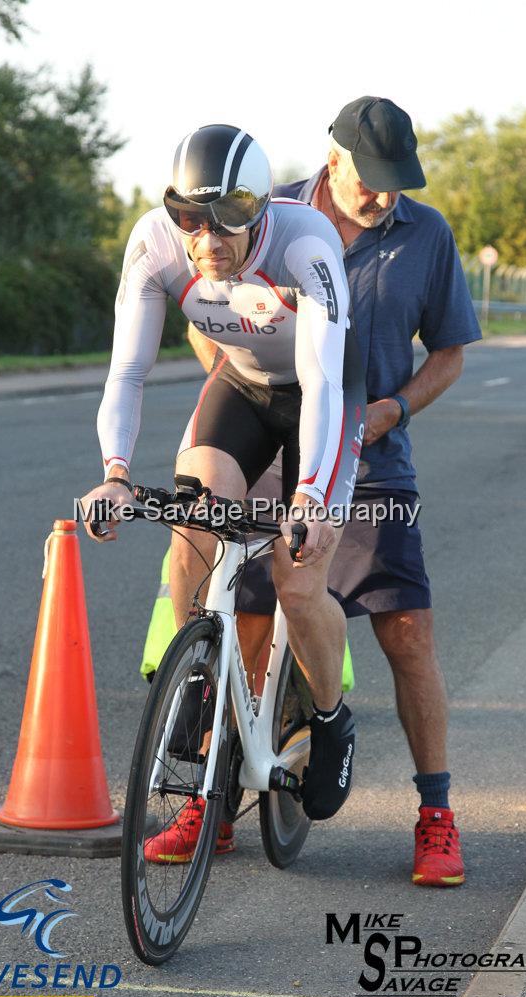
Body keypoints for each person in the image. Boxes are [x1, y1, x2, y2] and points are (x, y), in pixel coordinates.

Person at [185, 98, 482, 887]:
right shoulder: (265, 210)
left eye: (397, 184)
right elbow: (201, 310)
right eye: (372, 180)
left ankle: (436, 815)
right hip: (276, 449)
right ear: (334, 158)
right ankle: (207, 801)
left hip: (371, 458)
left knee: (407, 632)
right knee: (246, 621)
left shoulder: (426, 235)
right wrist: (236, 345)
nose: (384, 196)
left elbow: (450, 351)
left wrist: (395, 407)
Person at [80, 124, 367, 860]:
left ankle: (330, 717)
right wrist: (115, 472)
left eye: (227, 221)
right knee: (190, 527)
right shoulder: (154, 243)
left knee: (297, 578)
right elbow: (127, 372)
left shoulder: (305, 245)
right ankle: (202, 684)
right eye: (189, 218)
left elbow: (326, 381)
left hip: (320, 395)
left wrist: (308, 496)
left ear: (257, 209)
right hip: (239, 387)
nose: (206, 238)